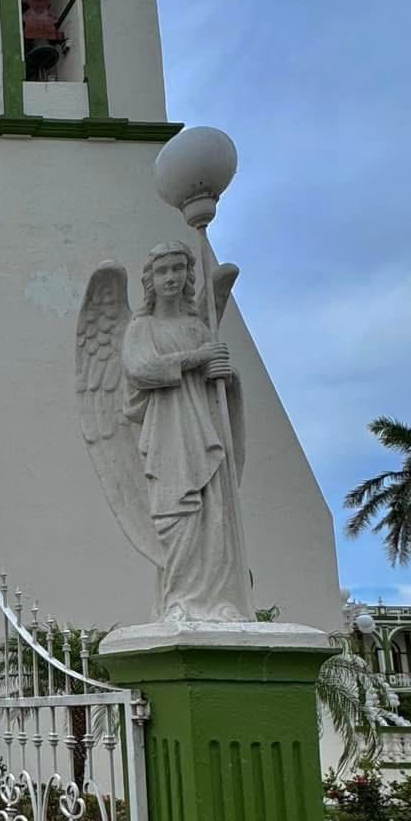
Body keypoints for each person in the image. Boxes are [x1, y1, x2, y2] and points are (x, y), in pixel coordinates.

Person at [121, 242, 248, 623]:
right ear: (151, 281)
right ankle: (179, 599)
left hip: (202, 429)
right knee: (177, 514)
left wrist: (227, 379)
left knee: (214, 513)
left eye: (178, 269)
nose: (171, 277)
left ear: (188, 276)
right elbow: (140, 369)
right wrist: (196, 359)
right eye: (163, 271)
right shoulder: (141, 327)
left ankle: (219, 600)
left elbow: (219, 385)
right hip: (167, 435)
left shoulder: (198, 327)